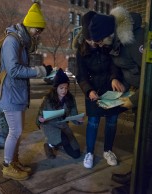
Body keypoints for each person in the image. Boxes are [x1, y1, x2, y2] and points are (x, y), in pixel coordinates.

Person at [88, 7, 144, 193]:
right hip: (138, 95)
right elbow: (124, 69)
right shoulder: (116, 42)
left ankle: (138, 186)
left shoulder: (136, 40)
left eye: (101, 41)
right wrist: (116, 80)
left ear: (109, 34)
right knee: (139, 135)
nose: (101, 45)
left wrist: (134, 100)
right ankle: (135, 175)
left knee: (147, 140)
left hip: (145, 98)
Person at [0, 1, 52, 181]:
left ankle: (14, 161)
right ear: (29, 26)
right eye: (38, 29)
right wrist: (39, 71)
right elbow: (13, 70)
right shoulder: (12, 41)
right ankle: (7, 166)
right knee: (15, 131)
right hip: (11, 94)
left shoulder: (21, 41)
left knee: (17, 131)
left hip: (17, 94)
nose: (39, 33)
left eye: (41, 30)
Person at [74, 11, 125, 169]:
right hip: (93, 90)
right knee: (94, 122)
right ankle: (89, 152)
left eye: (94, 40)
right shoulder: (81, 52)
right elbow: (81, 76)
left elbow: (114, 65)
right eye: (89, 40)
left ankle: (108, 150)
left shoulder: (106, 44)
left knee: (112, 121)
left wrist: (114, 78)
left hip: (110, 88)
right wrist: (88, 90)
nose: (93, 43)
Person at [37, 68, 83, 160]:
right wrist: (41, 119)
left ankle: (59, 142)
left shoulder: (70, 98)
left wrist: (78, 120)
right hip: (50, 125)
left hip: (63, 125)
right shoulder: (48, 99)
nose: (64, 90)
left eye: (66, 88)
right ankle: (49, 145)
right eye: (61, 88)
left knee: (76, 154)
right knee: (64, 139)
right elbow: (40, 115)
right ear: (56, 88)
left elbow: (74, 114)